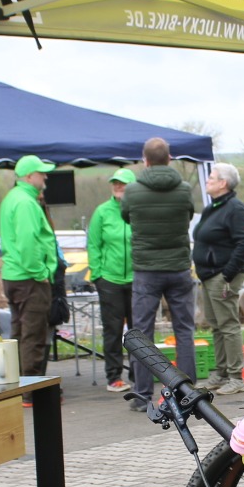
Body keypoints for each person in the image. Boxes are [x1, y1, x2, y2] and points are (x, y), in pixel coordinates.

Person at [123, 137, 198, 412]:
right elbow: (188, 215)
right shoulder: (185, 189)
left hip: (146, 270)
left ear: (145, 160)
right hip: (178, 268)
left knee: (141, 334)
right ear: (169, 159)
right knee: (184, 331)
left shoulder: (132, 191)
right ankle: (188, 393)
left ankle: (143, 396)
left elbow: (126, 217)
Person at [192, 162, 244, 396]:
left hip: (223, 275)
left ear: (223, 183)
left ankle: (236, 377)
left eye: (211, 177)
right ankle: (219, 374)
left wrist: (227, 273)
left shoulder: (235, 209)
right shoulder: (213, 208)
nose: (207, 181)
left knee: (228, 326)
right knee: (216, 326)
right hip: (208, 275)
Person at [0, 154, 58, 378]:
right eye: (41, 173)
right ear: (30, 176)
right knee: (33, 336)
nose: (45, 177)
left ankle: (16, 385)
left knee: (19, 332)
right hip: (29, 279)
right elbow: (28, 241)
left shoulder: (13, 198)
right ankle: (31, 391)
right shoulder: (25, 203)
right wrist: (40, 273)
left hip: (14, 276)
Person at [86, 168, 137, 392]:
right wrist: (98, 274)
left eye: (123, 183)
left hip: (137, 279)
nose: (118, 186)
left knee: (139, 331)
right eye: (115, 183)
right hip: (110, 280)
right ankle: (114, 376)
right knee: (113, 329)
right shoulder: (102, 212)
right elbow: (93, 244)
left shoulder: (138, 209)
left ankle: (140, 374)